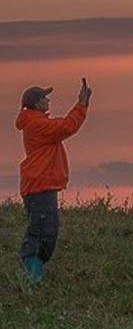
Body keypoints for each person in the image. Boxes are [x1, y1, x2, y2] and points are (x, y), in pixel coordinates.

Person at [17, 78, 90, 285]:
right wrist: (82, 104)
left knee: (47, 232)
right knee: (41, 232)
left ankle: (34, 275)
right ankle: (32, 277)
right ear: (35, 102)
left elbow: (64, 126)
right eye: (44, 97)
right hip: (40, 184)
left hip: (42, 185)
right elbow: (67, 126)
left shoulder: (35, 122)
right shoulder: (37, 124)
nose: (48, 101)